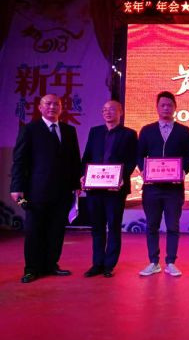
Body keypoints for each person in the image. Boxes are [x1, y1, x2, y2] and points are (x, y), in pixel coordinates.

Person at [10, 94, 81, 283]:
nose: (52, 107)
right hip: (36, 191)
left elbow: (75, 160)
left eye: (56, 104)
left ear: (61, 108)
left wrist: (76, 184)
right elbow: (19, 160)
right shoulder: (30, 130)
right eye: (48, 104)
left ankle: (51, 265)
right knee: (34, 231)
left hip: (63, 191)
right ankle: (32, 269)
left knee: (56, 230)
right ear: (40, 107)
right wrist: (16, 187)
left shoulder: (69, 131)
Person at [137, 91, 189, 277]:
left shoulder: (184, 131)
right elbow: (139, 155)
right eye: (163, 105)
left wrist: (183, 171)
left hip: (174, 189)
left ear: (175, 107)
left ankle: (171, 262)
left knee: (172, 226)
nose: (166, 108)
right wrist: (143, 170)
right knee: (151, 225)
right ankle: (153, 262)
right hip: (151, 188)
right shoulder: (147, 130)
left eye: (169, 105)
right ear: (157, 107)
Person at [81, 100, 138, 278]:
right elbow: (87, 156)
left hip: (116, 189)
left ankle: (109, 265)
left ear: (121, 112)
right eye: (104, 109)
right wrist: (83, 175)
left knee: (113, 226)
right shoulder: (95, 132)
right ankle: (97, 263)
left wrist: (122, 177)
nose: (108, 112)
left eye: (112, 109)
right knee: (97, 227)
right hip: (95, 188)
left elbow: (132, 160)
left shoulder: (129, 134)